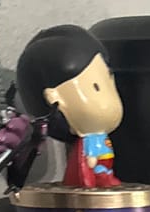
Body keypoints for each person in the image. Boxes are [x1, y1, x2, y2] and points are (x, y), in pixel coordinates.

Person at [15, 25, 123, 190]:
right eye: (96, 87)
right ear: (54, 98)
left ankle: (105, 177)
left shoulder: (100, 137)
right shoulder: (85, 142)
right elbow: (86, 159)